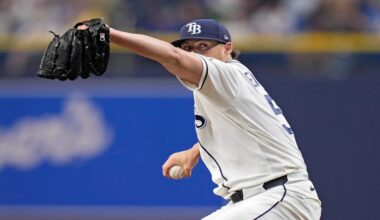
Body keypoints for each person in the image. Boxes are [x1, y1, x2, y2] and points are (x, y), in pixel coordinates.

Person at [101, 18, 322, 219]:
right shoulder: (229, 81)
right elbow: (247, 128)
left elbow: (172, 56)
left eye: (203, 47)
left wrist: (109, 34)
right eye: (188, 48)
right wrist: (195, 151)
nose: (195, 54)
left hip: (278, 198)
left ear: (228, 49)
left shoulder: (225, 74)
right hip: (264, 200)